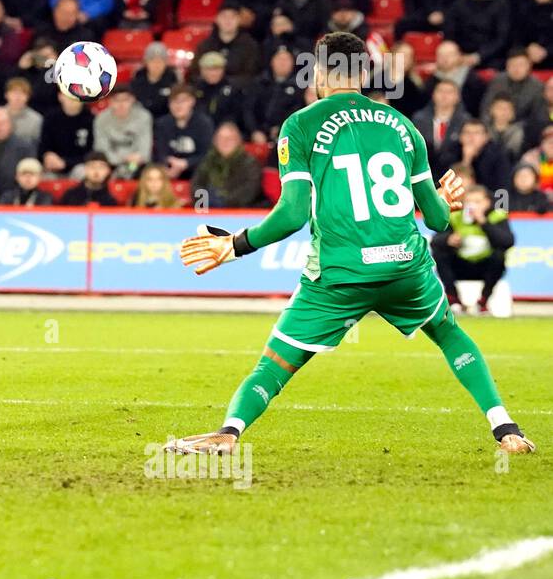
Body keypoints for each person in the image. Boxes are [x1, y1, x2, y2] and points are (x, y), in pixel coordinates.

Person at [169, 31, 535, 456]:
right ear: (364, 72)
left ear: (319, 72)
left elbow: (291, 214)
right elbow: (436, 221)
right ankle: (505, 428)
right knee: (449, 334)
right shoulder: (403, 126)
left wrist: (236, 244)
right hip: (404, 266)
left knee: (277, 362)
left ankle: (229, 433)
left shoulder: (301, 125)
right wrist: (444, 201)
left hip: (341, 272)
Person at [431, 184, 516, 315]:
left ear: (487, 202)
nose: (473, 206)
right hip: (461, 265)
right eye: (469, 202)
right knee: (440, 253)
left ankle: (483, 301)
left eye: (477, 202)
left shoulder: (496, 216)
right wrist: (448, 239)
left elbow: (507, 242)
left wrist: (483, 222)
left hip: (484, 267)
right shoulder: (455, 216)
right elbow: (435, 241)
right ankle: (453, 299)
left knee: (499, 256)